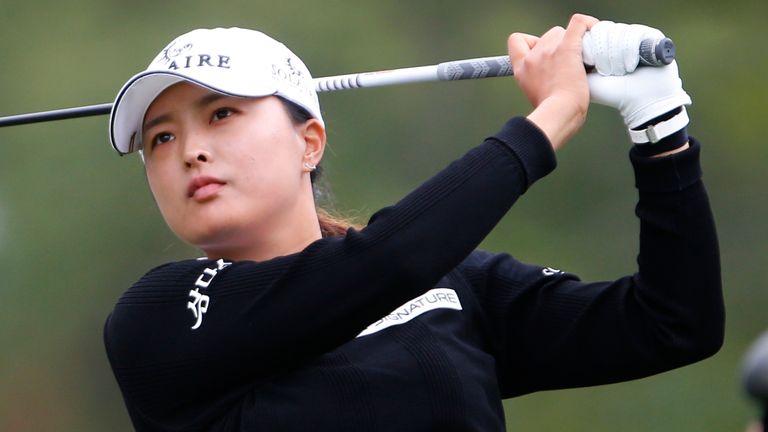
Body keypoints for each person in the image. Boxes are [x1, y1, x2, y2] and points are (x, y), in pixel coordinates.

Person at [103, 14, 724, 431]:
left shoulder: (453, 287)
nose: (189, 151)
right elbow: (385, 264)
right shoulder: (160, 318)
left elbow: (673, 323)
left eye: (221, 114)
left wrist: (659, 125)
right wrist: (552, 117)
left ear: (309, 142)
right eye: (160, 137)